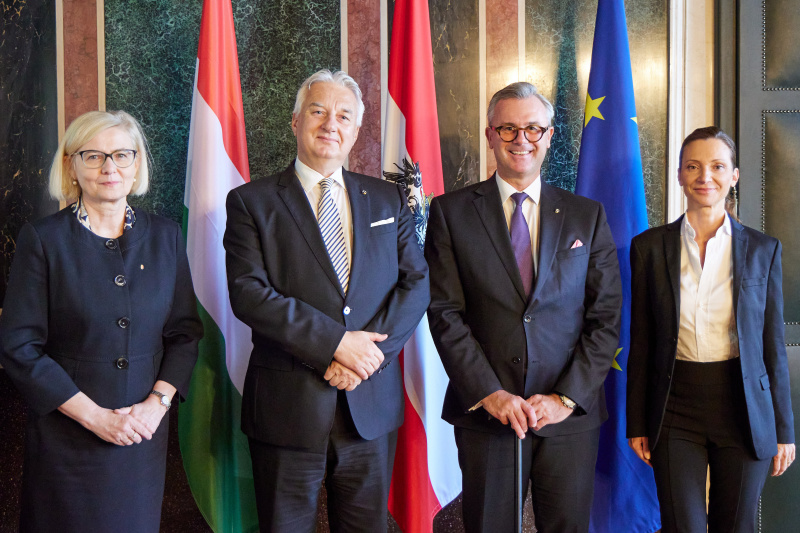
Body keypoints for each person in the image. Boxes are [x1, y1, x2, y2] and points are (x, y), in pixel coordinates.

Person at [224, 69, 429, 532]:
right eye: (317, 111)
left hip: (369, 411)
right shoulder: (250, 202)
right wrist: (336, 344)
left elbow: (416, 284)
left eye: (343, 115)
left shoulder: (387, 199)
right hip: (286, 411)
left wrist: (365, 358)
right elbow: (249, 294)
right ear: (295, 122)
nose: (329, 123)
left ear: (357, 130)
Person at [425, 81, 622, 532]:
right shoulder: (450, 213)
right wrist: (491, 394)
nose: (521, 140)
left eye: (533, 129)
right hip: (488, 413)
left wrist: (564, 398)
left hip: (568, 416)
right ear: (490, 133)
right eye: (509, 129)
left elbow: (605, 317)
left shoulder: (585, 215)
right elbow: (445, 314)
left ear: (550, 135)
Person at [0, 110, 203, 532]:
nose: (109, 167)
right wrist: (95, 417)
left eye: (122, 155)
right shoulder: (43, 240)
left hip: (140, 438)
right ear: (72, 166)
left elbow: (184, 334)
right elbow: (19, 348)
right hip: (66, 441)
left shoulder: (166, 237)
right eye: (93, 156)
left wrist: (156, 405)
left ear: (136, 165)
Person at [627, 126, 795, 532]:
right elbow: (642, 341)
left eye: (718, 166)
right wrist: (636, 423)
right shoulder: (649, 248)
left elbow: (772, 345)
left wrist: (784, 430)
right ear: (681, 175)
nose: (706, 176)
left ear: (733, 175)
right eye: (694, 167)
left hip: (743, 408)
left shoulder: (763, 249)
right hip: (674, 407)